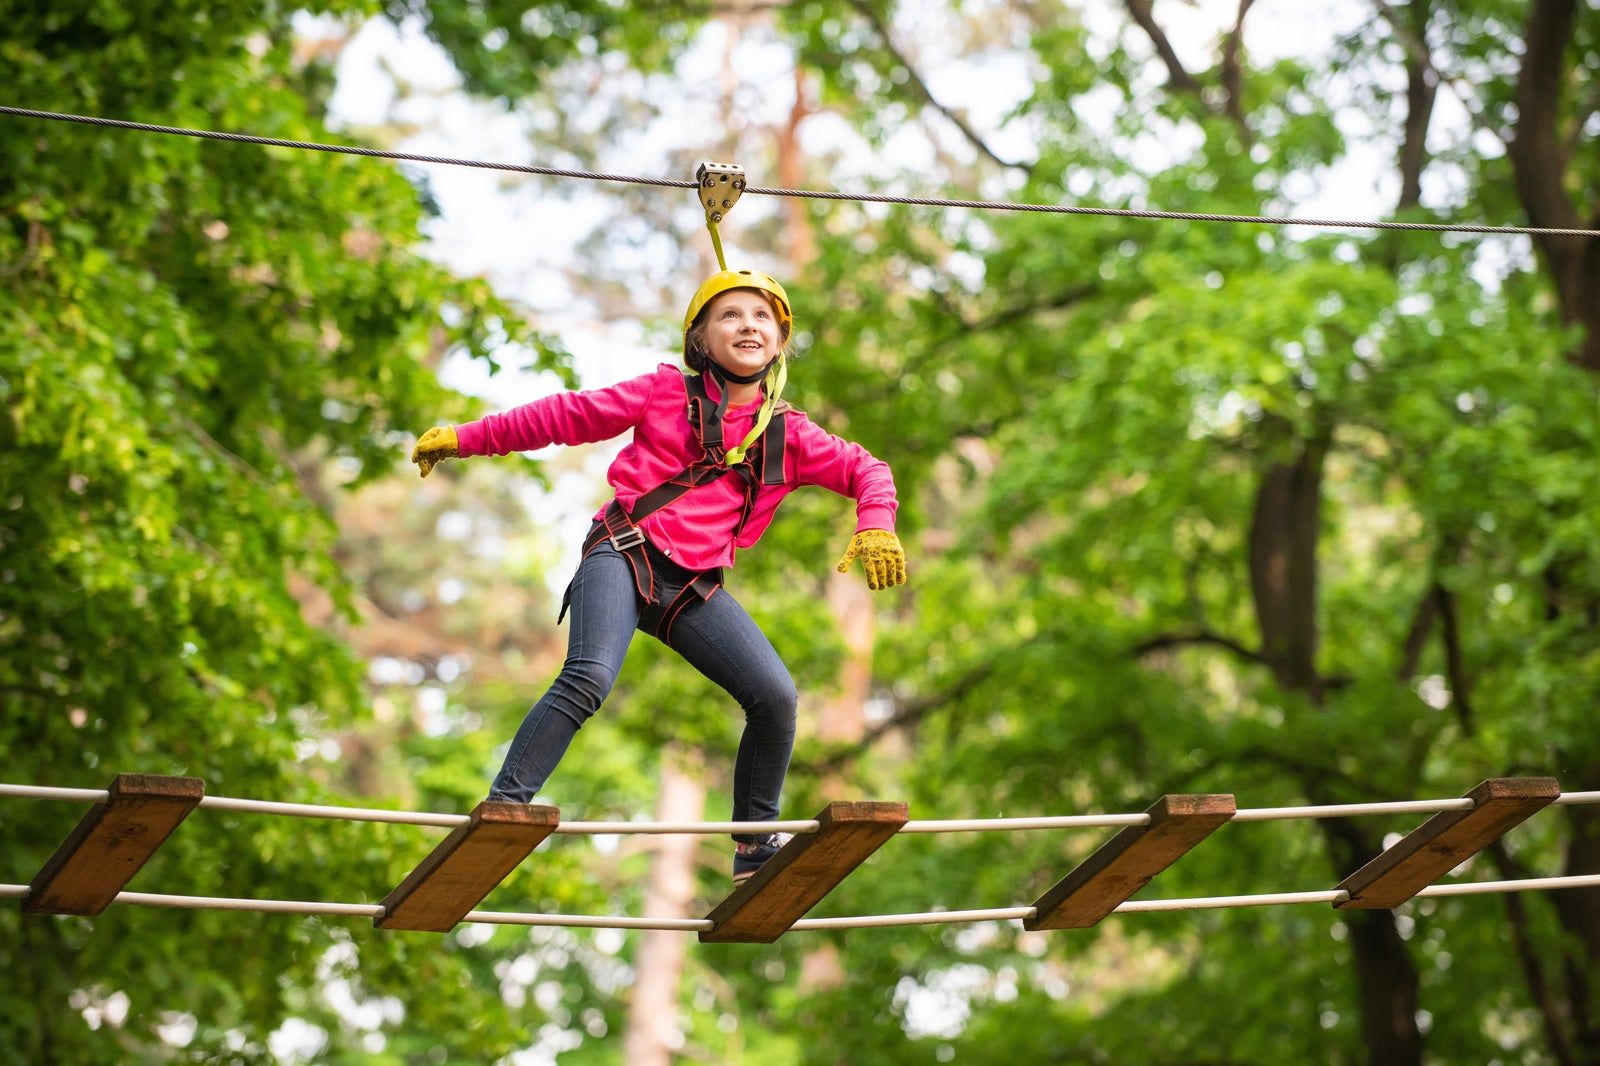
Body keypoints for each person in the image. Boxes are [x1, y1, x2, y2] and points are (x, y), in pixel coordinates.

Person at [410, 268, 906, 884]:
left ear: (780, 340)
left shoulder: (790, 434)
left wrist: (876, 522)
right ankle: (507, 806)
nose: (747, 325)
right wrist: (468, 438)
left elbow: (868, 470)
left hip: (690, 587)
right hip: (623, 552)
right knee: (589, 674)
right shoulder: (665, 391)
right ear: (700, 339)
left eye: (761, 317)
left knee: (775, 697)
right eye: (729, 315)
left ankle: (755, 845)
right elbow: (567, 415)